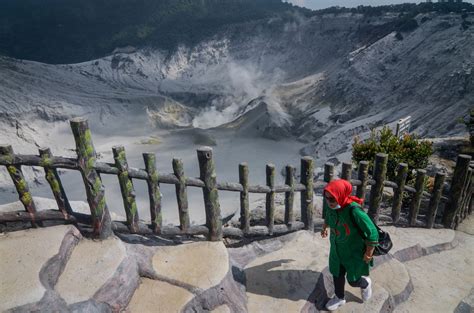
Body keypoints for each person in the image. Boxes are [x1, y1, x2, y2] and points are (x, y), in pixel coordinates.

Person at [320, 179, 379, 311]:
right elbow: (329, 216)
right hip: (336, 250)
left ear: (341, 195)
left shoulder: (354, 210)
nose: (329, 201)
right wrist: (324, 227)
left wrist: (369, 252)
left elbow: (372, 232)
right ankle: (339, 298)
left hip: (353, 253)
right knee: (336, 273)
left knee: (353, 280)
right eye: (326, 197)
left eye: (332, 198)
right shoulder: (332, 206)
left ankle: (365, 284)